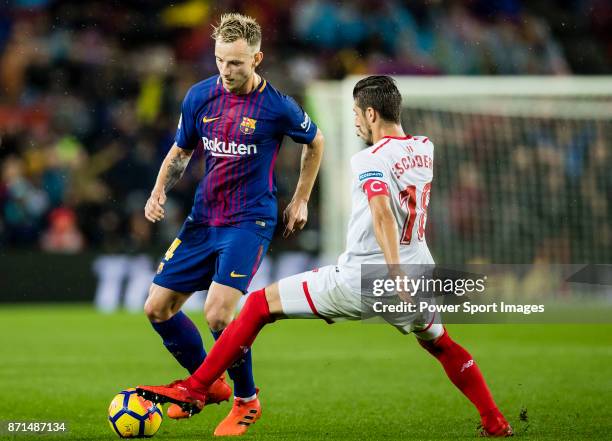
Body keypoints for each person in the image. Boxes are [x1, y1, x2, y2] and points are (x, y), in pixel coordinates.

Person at [138, 76, 512, 437]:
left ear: (370, 115)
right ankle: (494, 421)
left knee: (257, 307)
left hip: (366, 277)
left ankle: (199, 387)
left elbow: (381, 211)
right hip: (418, 276)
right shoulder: (425, 148)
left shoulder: (368, 159)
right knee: (441, 344)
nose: (353, 120)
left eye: (355, 112)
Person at [142, 12, 324, 436]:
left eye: (237, 62)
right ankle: (211, 385)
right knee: (157, 308)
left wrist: (300, 199)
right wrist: (157, 192)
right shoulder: (200, 96)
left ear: (257, 58)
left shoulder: (277, 106)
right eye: (222, 60)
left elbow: (315, 141)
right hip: (203, 220)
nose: (227, 70)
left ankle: (246, 400)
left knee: (220, 316)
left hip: (248, 221)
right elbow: (180, 151)